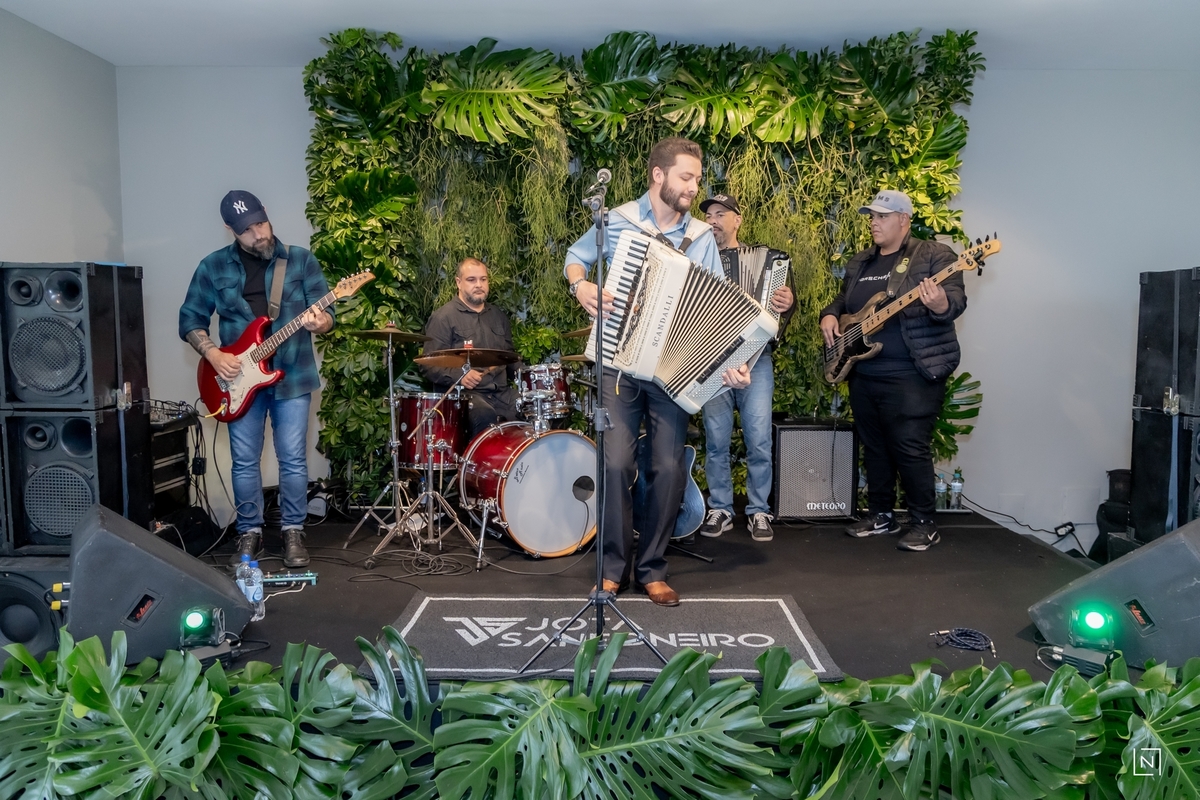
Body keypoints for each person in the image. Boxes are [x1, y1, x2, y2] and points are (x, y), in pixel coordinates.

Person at [564, 137, 752, 606]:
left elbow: (717, 307)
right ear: (658, 175)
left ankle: (651, 568)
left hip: (672, 368)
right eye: (686, 177)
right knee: (615, 464)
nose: (694, 187)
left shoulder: (701, 238)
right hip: (619, 363)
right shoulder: (619, 220)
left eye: (697, 178)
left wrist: (731, 363)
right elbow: (575, 257)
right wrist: (580, 286)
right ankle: (611, 570)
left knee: (667, 468)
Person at [180, 190, 334, 569]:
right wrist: (214, 355)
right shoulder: (212, 266)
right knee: (244, 461)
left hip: (292, 375)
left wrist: (322, 322)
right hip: (237, 381)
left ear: (266, 214)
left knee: (292, 459)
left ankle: (293, 530)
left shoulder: (299, 259)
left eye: (261, 224)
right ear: (230, 229)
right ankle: (249, 531)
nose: (258, 234)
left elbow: (328, 315)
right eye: (247, 230)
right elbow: (190, 319)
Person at [819, 190, 965, 551]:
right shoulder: (861, 261)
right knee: (875, 448)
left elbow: (955, 302)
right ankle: (881, 515)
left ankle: (924, 523)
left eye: (882, 216)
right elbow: (843, 300)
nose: (874, 222)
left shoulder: (933, 255)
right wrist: (830, 314)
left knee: (910, 447)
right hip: (864, 371)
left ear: (903, 220)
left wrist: (939, 302)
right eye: (872, 216)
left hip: (912, 373)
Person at [697, 194, 795, 542]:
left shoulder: (768, 260)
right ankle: (721, 508)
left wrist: (788, 302)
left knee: (759, 440)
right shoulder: (695, 261)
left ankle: (758, 510)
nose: (712, 220)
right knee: (716, 442)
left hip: (757, 358)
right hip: (711, 361)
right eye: (708, 215)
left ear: (737, 220)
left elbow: (784, 307)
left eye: (720, 214)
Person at [421, 258, 519, 437]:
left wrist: (533, 380)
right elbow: (428, 364)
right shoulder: (443, 318)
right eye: (471, 280)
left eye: (483, 279)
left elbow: (509, 358)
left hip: (501, 394)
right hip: (464, 395)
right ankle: (480, 457)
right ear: (458, 282)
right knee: (483, 414)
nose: (479, 285)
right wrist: (460, 376)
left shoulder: (498, 317)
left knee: (537, 407)